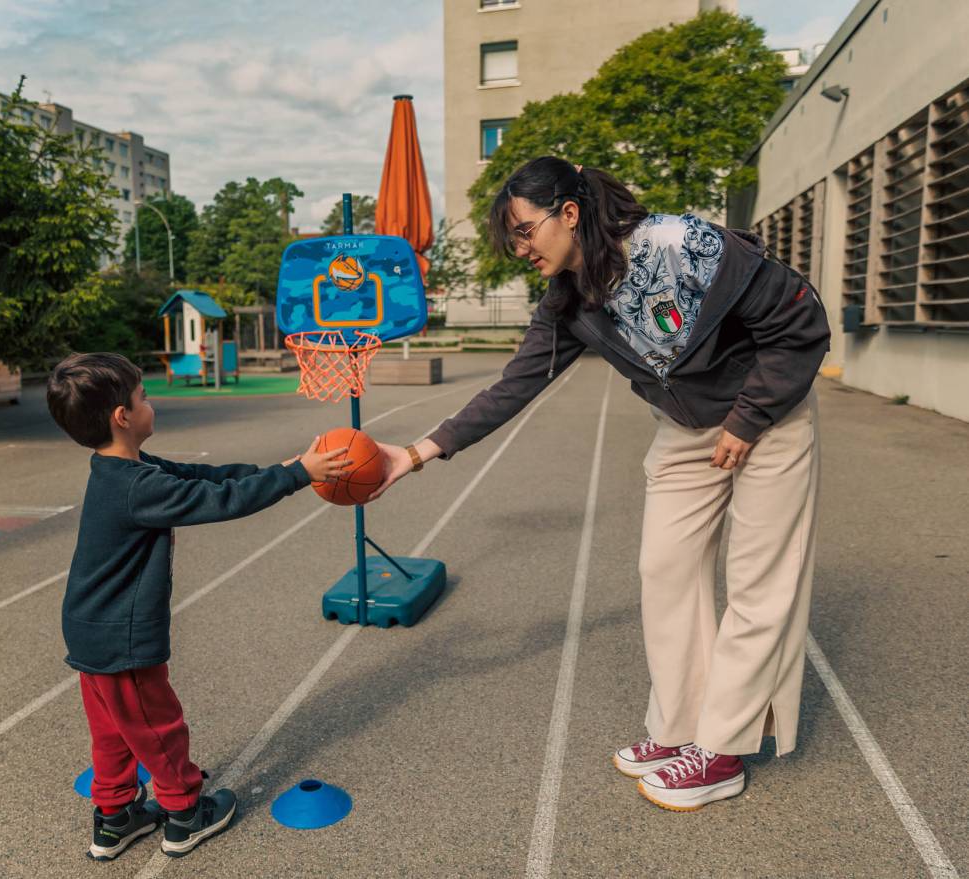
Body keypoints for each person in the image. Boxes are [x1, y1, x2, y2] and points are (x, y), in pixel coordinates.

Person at [370, 156, 829, 812]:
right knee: (664, 569)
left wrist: (750, 418)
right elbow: (512, 387)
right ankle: (680, 729)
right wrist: (413, 454)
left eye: (526, 232)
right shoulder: (568, 301)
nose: (519, 250)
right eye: (513, 240)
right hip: (687, 429)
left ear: (570, 213)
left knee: (759, 584)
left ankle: (723, 749)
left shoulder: (685, 245)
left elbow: (802, 322)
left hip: (769, 414)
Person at [46, 352, 348, 859]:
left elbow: (206, 478)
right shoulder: (139, 487)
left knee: (115, 734)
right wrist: (298, 478)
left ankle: (115, 820)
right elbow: (225, 502)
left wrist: (287, 468)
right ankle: (185, 814)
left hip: (89, 630)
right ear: (123, 416)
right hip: (121, 638)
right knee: (155, 725)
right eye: (143, 397)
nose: (151, 402)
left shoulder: (123, 469)